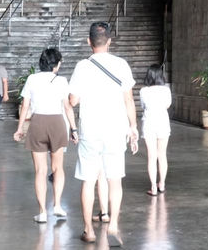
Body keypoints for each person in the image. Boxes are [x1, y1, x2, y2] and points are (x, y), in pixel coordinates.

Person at [69, 21, 138, 247]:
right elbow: (129, 100)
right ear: (109, 41)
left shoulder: (82, 66)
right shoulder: (121, 64)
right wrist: (134, 127)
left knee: (88, 180)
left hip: (90, 130)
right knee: (114, 179)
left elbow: (73, 100)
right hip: (116, 130)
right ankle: (114, 225)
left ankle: (88, 230)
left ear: (89, 42)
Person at [12, 46, 78, 222]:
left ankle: (42, 212)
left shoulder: (32, 79)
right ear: (56, 65)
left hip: (37, 123)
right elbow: (67, 107)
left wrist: (19, 129)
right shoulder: (62, 80)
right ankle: (57, 205)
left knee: (40, 170)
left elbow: (25, 106)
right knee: (58, 168)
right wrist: (74, 129)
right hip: (57, 123)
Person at [140, 64, 172, 196]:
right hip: (163, 123)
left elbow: (143, 106)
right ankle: (162, 184)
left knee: (151, 157)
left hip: (149, 123)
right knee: (162, 155)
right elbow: (168, 104)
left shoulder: (144, 91)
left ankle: (153, 187)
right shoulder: (166, 90)